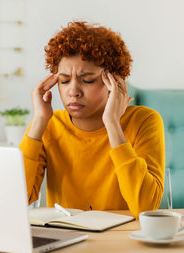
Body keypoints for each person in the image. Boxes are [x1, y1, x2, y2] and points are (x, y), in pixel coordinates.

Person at [19, 21, 165, 217]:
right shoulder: (49, 124)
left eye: (87, 80)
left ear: (114, 82)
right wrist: (38, 121)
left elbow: (146, 208)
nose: (73, 91)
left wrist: (112, 124)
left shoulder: (144, 121)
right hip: (68, 238)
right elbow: (18, 199)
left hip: (124, 240)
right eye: (63, 81)